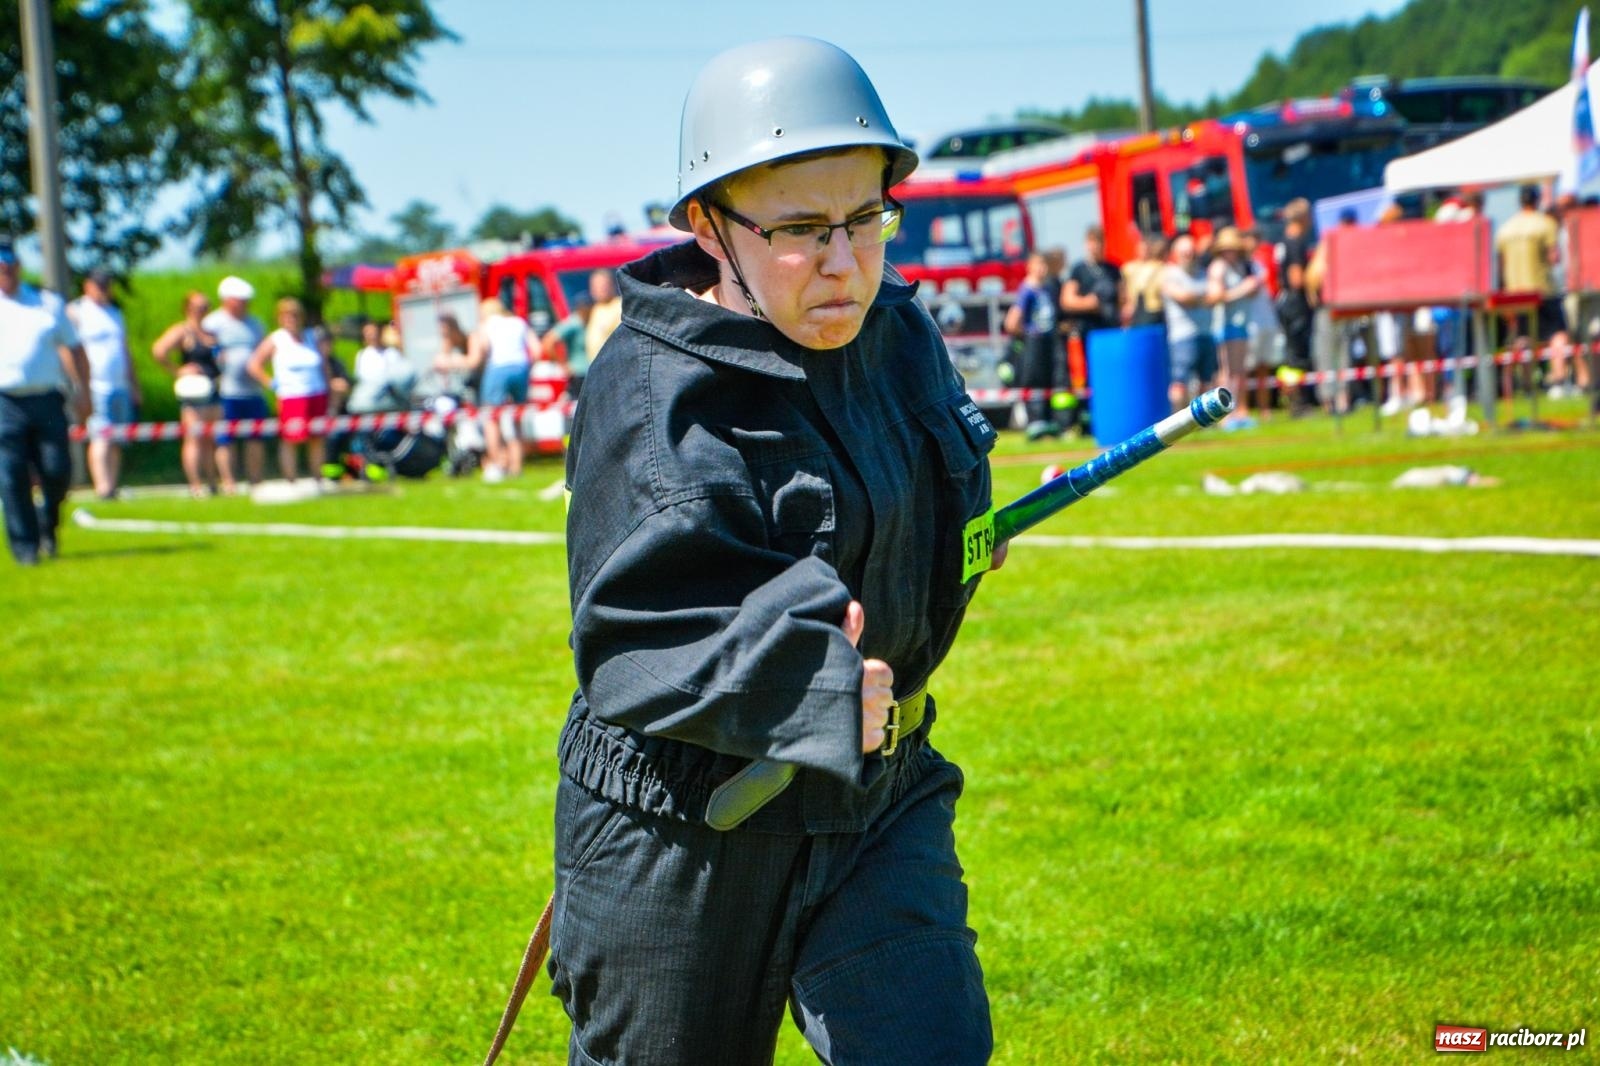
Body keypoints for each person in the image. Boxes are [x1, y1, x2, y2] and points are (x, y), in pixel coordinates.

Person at [547, 36, 1004, 1065]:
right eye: (800, 229)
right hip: (683, 827)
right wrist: (810, 678)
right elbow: (641, 629)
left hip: (878, 795)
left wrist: (950, 546)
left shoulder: (900, 333)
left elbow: (924, 488)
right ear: (711, 227)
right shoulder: (649, 394)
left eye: (865, 218)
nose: (844, 261)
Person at [0, 240, 90, 565]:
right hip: (5, 402)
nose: (6, 273)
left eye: (10, 267)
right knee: (11, 477)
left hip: (47, 399)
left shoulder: (46, 303)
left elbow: (75, 349)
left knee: (57, 469)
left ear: (18, 267)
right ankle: (24, 548)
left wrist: (84, 393)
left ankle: (47, 524)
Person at [69, 269, 139, 499]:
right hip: (96, 385)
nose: (104, 289)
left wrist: (134, 384)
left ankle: (112, 484)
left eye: (107, 285)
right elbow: (70, 350)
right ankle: (103, 487)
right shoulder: (77, 311)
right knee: (101, 436)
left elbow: (125, 351)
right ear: (87, 286)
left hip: (119, 384)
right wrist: (79, 384)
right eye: (99, 285)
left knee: (117, 437)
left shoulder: (114, 313)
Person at [246, 297, 331, 484]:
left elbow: (323, 366)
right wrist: (271, 383)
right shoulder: (276, 339)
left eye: (294, 315)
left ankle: (319, 478)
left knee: (317, 438)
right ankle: (291, 479)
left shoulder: (311, 337)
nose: (291, 319)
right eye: (286, 315)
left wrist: (329, 388)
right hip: (291, 396)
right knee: (291, 439)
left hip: (317, 393)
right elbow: (254, 364)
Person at [1495, 185, 1568, 402]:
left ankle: (1526, 384)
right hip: (1542, 288)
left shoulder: (1505, 229)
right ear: (1536, 201)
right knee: (1558, 334)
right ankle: (1558, 379)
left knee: (1523, 338)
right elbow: (1554, 257)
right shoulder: (1546, 224)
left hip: (1516, 292)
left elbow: (1501, 264)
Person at [151, 290, 224, 497]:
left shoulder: (211, 333)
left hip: (213, 388)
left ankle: (212, 482)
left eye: (205, 306)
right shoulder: (183, 331)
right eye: (198, 306)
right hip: (194, 392)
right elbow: (159, 350)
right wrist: (177, 370)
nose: (202, 310)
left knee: (211, 438)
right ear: (188, 308)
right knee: (194, 438)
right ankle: (196, 484)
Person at [203, 276, 267, 491]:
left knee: (255, 438)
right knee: (225, 439)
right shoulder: (213, 323)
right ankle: (228, 482)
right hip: (226, 391)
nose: (244, 304)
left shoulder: (255, 323)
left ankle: (255, 480)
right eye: (240, 300)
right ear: (227, 299)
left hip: (252, 391)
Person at [467, 297, 537, 482]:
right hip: (521, 368)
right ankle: (516, 466)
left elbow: (481, 352)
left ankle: (497, 465)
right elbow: (536, 350)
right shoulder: (518, 322)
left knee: (492, 419)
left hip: (497, 368)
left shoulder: (486, 325)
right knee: (516, 418)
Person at [1003, 251, 1065, 439]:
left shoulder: (1046, 289)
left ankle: (1050, 423)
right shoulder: (1027, 290)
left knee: (1049, 380)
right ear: (1029, 266)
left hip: (1048, 342)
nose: (1042, 269)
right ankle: (1036, 422)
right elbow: (1011, 322)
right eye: (1038, 264)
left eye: (1044, 264)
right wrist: (1028, 334)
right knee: (1035, 382)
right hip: (1034, 342)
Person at [1205, 226, 1260, 423]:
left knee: (1239, 371)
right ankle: (1224, 415)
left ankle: (1240, 411)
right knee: (1227, 372)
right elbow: (1214, 297)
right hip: (1224, 324)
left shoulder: (1239, 265)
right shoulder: (1218, 267)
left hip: (1240, 323)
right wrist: (1243, 289)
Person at [1161, 233, 1218, 409]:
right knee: (1180, 381)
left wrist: (1196, 299)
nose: (1189, 256)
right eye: (1184, 252)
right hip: (1182, 337)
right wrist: (1202, 297)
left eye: (1192, 252)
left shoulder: (1202, 272)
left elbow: (1215, 296)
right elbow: (1183, 297)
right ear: (1175, 254)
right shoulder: (1170, 274)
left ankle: (1204, 421)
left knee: (1206, 381)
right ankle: (1178, 419)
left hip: (1206, 333)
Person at [1275, 198, 1316, 415]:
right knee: (1297, 355)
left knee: (1292, 354)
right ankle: (1297, 403)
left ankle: (1294, 401)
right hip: (1295, 303)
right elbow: (1296, 279)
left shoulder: (1284, 240)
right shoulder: (1296, 241)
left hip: (1285, 302)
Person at [350, 320, 415, 413]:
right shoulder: (362, 355)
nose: (371, 336)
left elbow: (399, 378)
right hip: (367, 403)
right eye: (367, 333)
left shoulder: (391, 353)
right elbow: (360, 378)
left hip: (389, 402)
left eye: (373, 332)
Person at [540, 291, 595, 402]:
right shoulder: (574, 323)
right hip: (578, 374)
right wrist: (563, 365)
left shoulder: (592, 322)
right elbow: (548, 342)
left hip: (590, 373)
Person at [1120, 231, 1168, 328]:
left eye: (1146, 248)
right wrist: (1127, 304)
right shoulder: (1129, 268)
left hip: (1154, 308)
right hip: (1136, 307)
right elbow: (1123, 288)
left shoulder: (1158, 266)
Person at [581, 268, 622, 363]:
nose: (597, 289)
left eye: (602, 285)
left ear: (611, 286)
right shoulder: (595, 308)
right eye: (594, 286)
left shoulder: (619, 306)